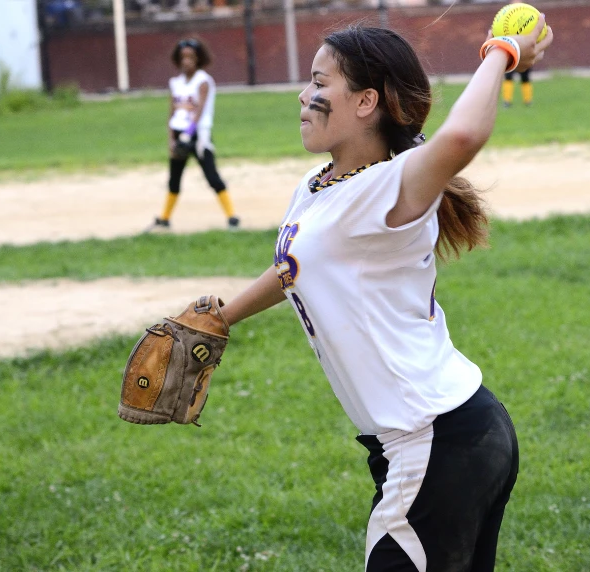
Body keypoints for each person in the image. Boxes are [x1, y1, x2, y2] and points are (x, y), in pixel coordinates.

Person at [213, 18, 552, 571]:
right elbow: (295, 268)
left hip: (434, 440)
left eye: (321, 83)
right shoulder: (321, 185)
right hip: (441, 436)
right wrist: (223, 318)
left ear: (367, 100)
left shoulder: (389, 187)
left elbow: (461, 137)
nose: (305, 95)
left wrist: (501, 52)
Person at [146, 38, 240, 233]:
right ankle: (164, 218)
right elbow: (171, 113)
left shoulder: (203, 80)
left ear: (198, 59)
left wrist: (188, 135)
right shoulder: (176, 83)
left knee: (211, 176)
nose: (186, 61)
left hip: (198, 134)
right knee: (174, 178)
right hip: (179, 132)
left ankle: (232, 216)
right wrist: (172, 139)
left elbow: (199, 111)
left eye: (190, 57)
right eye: (183, 57)